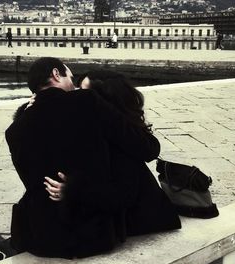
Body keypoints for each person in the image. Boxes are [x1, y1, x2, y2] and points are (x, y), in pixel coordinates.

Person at [0, 57, 164, 259]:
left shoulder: (14, 131)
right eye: (71, 78)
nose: (74, 87)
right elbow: (146, 148)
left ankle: (10, 248)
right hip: (94, 235)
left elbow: (34, 183)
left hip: (43, 237)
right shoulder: (88, 101)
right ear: (57, 74)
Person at [44, 70, 181, 237]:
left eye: (86, 93)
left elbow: (122, 196)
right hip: (111, 217)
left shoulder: (120, 144)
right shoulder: (102, 127)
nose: (79, 96)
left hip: (136, 221)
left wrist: (72, 190)